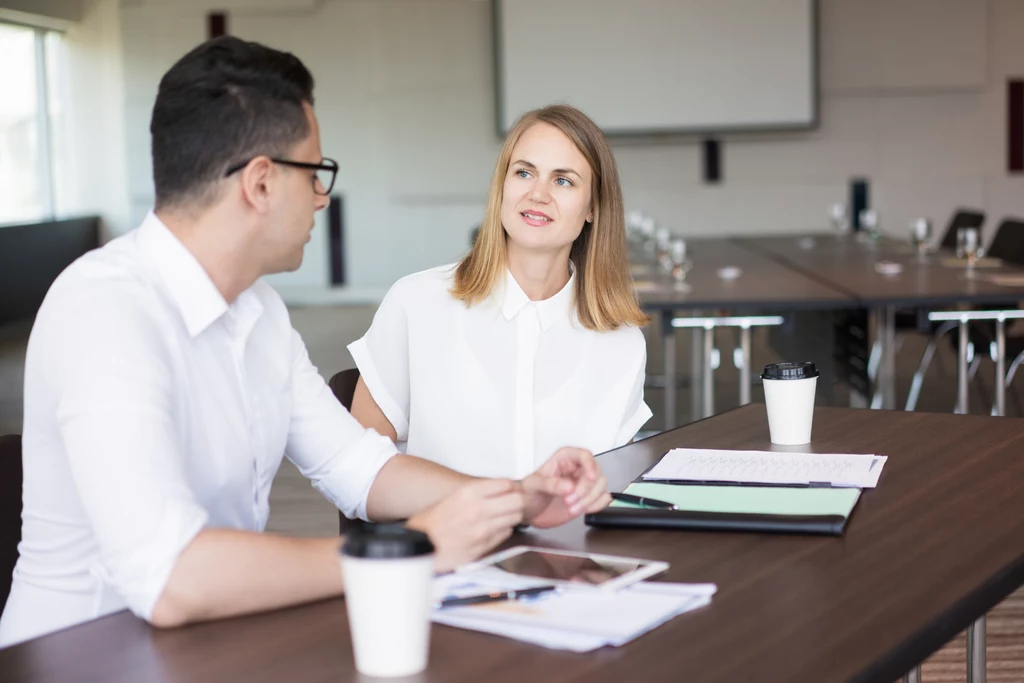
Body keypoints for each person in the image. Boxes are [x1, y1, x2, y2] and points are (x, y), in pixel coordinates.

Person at [0, 37, 610, 647]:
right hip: (78, 656)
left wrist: (515, 497)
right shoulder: (106, 310)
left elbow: (356, 465)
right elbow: (170, 579)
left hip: (214, 641)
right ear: (261, 184)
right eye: (316, 172)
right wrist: (415, 547)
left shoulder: (258, 311)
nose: (323, 196)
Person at [349, 104, 652, 479]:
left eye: (563, 180)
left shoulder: (622, 343)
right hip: (442, 534)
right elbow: (356, 466)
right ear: (502, 185)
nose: (538, 194)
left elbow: (612, 484)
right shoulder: (416, 303)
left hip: (569, 538)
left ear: (593, 207)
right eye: (524, 172)